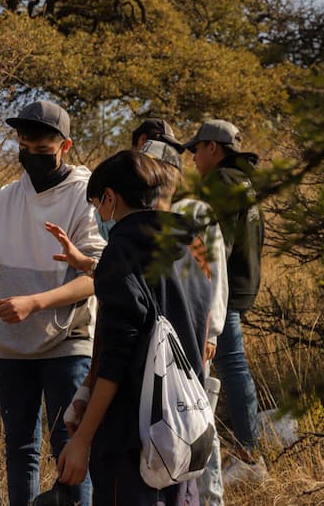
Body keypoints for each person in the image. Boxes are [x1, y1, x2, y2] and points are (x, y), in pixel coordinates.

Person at [0, 100, 105, 506]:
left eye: (42, 151)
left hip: (68, 340)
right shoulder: (6, 197)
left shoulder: (85, 196)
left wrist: (36, 303)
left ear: (66, 146)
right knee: (19, 448)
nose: (32, 157)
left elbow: (96, 277)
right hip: (13, 343)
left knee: (69, 447)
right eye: (25, 147)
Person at [56, 150, 210, 505]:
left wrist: (82, 440)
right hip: (186, 431)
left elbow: (116, 358)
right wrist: (85, 391)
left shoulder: (120, 252)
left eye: (97, 205)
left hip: (132, 441)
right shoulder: (194, 246)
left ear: (110, 198)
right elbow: (200, 337)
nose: (98, 216)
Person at [140, 139, 228, 505]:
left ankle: (212, 496)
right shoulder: (137, 218)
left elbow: (216, 274)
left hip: (193, 334)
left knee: (196, 419)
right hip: (152, 341)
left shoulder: (194, 212)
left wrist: (214, 330)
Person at [183, 119, 267, 484]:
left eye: (196, 149)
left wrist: (203, 292)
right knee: (233, 367)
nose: (194, 157)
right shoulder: (242, 180)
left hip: (225, 289)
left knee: (232, 367)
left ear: (212, 148)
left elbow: (217, 247)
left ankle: (249, 457)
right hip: (242, 283)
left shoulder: (220, 183)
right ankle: (243, 449)